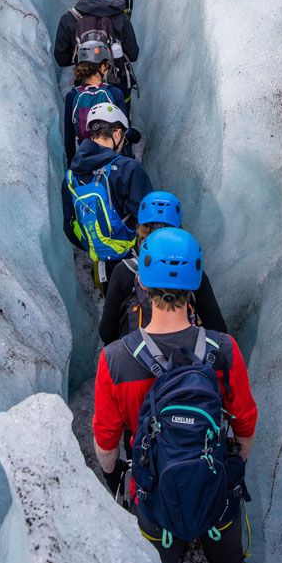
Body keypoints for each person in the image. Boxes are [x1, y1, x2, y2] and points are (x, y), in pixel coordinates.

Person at [93, 228, 260, 563]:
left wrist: (115, 478)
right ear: (195, 284)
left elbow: (106, 445)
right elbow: (246, 425)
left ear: (140, 282)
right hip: (217, 500)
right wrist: (231, 469)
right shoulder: (224, 350)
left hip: (154, 504)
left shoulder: (114, 360)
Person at [98, 191, 228, 344]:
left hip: (134, 358)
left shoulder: (124, 271)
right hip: (187, 359)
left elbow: (106, 333)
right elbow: (218, 330)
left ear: (140, 228)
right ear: (179, 229)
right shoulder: (190, 270)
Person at [61, 103, 152, 291]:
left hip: (103, 269)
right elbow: (150, 221)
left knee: (113, 316)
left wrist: (97, 244)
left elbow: (69, 227)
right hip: (135, 266)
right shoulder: (129, 168)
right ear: (117, 133)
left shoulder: (70, 177)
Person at [54, 0, 139, 117]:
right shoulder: (119, 15)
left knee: (88, 126)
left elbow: (61, 58)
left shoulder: (68, 19)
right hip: (119, 85)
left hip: (86, 86)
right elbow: (133, 54)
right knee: (121, 126)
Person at [64, 40, 128, 167]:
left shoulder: (72, 95)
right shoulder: (115, 93)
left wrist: (71, 162)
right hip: (111, 158)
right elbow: (124, 131)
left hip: (85, 157)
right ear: (102, 67)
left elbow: (69, 136)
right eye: (107, 65)